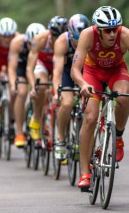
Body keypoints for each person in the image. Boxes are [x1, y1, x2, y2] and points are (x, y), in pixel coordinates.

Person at [70, 6, 129, 189]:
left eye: (115, 29)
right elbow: (75, 69)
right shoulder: (87, 35)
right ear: (98, 30)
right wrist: (83, 84)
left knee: (123, 98)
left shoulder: (127, 35)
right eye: (107, 30)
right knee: (90, 118)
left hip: (117, 70)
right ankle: (84, 173)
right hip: (92, 74)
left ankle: (119, 135)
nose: (112, 34)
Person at [52, 14, 90, 160]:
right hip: (67, 72)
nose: (79, 42)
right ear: (69, 34)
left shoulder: (91, 39)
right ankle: (61, 139)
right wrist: (57, 92)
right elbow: (57, 72)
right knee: (66, 103)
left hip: (85, 71)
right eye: (75, 39)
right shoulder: (62, 41)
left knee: (91, 107)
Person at [26, 16, 68, 141]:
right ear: (50, 33)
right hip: (43, 64)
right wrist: (33, 86)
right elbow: (29, 67)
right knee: (42, 86)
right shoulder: (40, 39)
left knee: (63, 96)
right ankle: (36, 117)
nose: (58, 40)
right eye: (55, 36)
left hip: (59, 66)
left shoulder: (69, 41)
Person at [8, 23, 46, 147]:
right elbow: (12, 68)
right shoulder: (17, 42)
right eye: (29, 43)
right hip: (22, 67)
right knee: (22, 92)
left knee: (43, 90)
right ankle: (19, 133)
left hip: (38, 67)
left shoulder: (46, 43)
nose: (32, 47)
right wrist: (13, 84)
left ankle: (43, 123)